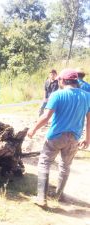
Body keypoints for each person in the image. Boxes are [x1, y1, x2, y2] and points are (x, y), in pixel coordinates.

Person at [27, 68, 90, 207]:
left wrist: (33, 129)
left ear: (62, 80)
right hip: (74, 138)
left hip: (56, 136)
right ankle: (59, 195)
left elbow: (46, 116)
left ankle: (41, 198)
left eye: (59, 80)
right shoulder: (87, 96)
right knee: (65, 166)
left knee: (44, 162)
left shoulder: (57, 95)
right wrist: (87, 138)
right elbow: (89, 118)